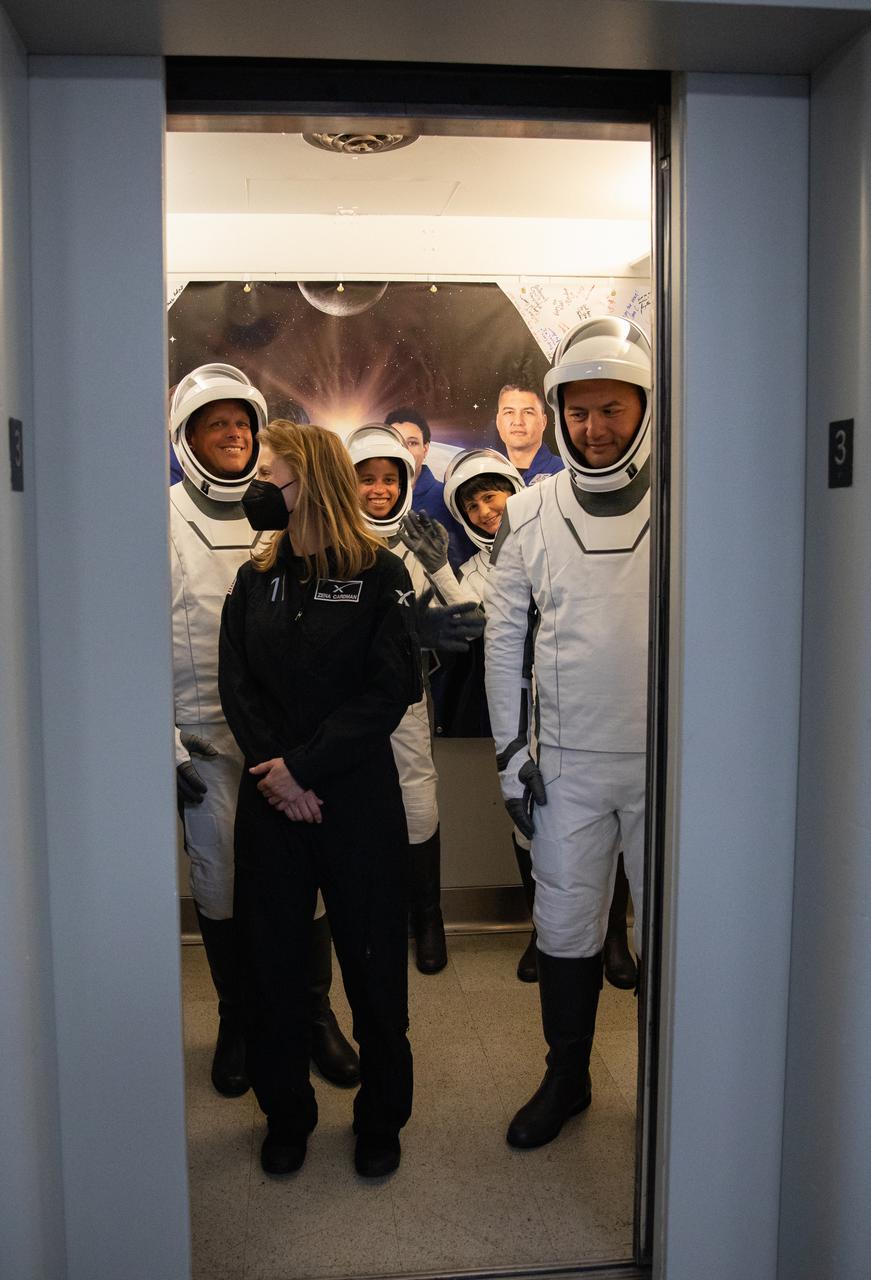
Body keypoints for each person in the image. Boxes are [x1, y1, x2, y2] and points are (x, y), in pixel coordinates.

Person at [218, 420, 422, 1178]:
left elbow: (388, 690)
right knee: (272, 967)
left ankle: (380, 1119)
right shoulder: (254, 577)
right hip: (272, 801)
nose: (258, 485)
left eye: (272, 472)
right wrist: (280, 773)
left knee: (372, 968)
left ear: (314, 483)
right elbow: (236, 686)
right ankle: (286, 1114)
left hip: (353, 798)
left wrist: (304, 768)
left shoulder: (381, 575)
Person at [484, 316, 651, 1149]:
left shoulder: (688, 496)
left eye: (611, 409)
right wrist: (511, 758)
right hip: (568, 768)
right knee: (564, 927)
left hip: (671, 766)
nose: (595, 428)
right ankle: (567, 1077)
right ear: (556, 413)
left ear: (643, 408)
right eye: (578, 412)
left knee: (675, 931)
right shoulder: (529, 510)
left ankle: (672, 1078)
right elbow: (503, 634)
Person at [169, 365, 359, 1100]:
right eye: (215, 424)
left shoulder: (291, 516)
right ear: (186, 439)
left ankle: (314, 1016)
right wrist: (166, 746)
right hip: (210, 751)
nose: (234, 434)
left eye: (242, 423)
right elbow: (132, 638)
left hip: (288, 749)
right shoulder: (160, 519)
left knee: (306, 887)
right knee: (221, 888)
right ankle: (238, 1018)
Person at [347, 423, 472, 974]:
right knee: (350, 811)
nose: (379, 489)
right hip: (342, 703)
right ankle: (369, 914)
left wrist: (440, 566)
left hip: (404, 699)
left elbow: (471, 620)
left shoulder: (419, 540)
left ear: (406, 482)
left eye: (389, 479)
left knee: (418, 808)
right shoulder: (329, 539)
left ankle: (428, 917)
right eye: (367, 479)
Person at [385, 406, 475, 571]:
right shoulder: (368, 500)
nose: (404, 450)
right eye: (397, 442)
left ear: (425, 449)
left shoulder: (449, 499)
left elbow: (469, 559)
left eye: (412, 443)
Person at [494, 384, 563, 483]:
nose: (518, 422)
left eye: (528, 412)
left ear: (543, 422)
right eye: (509, 412)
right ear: (498, 421)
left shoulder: (564, 474)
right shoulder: (488, 477)